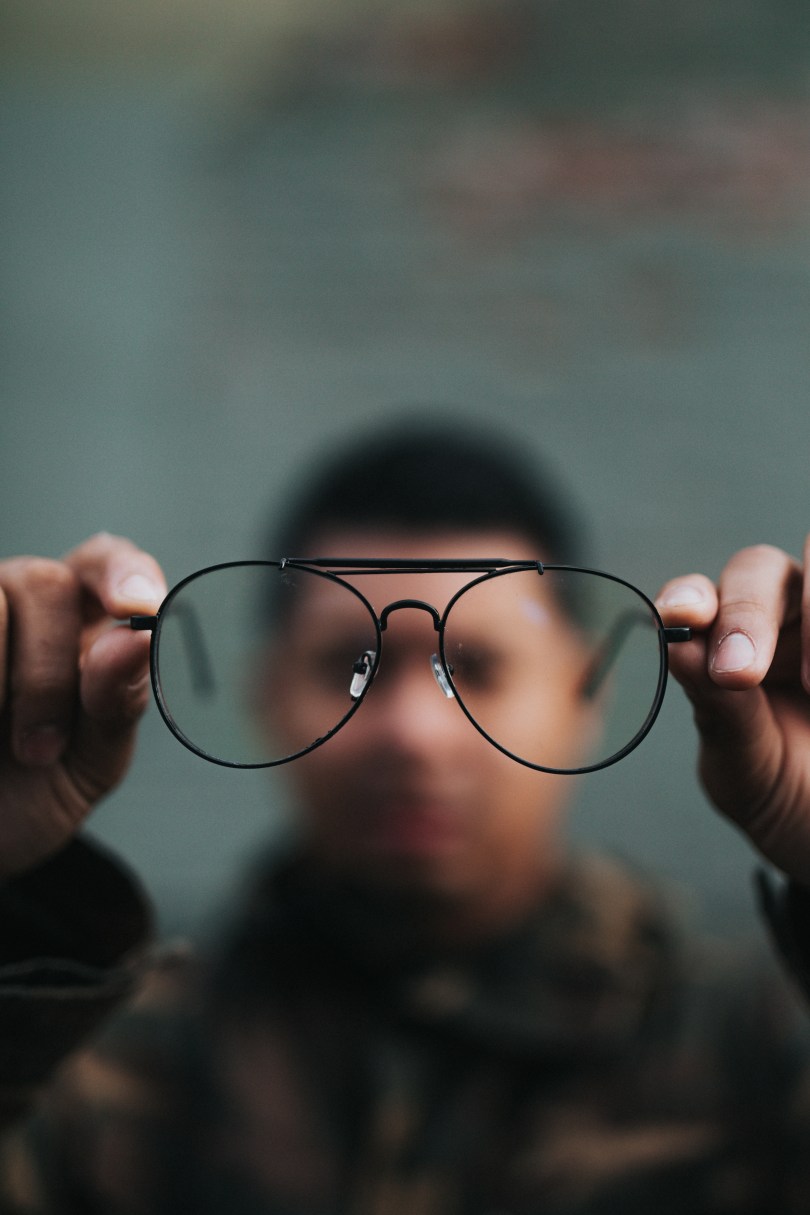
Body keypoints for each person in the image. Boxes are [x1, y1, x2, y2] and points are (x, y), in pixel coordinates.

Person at [1, 417, 810, 1214]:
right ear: (267, 694)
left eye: (477, 666)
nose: (413, 734)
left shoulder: (755, 1042)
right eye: (348, 664)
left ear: (583, 692)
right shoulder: (90, 1056)